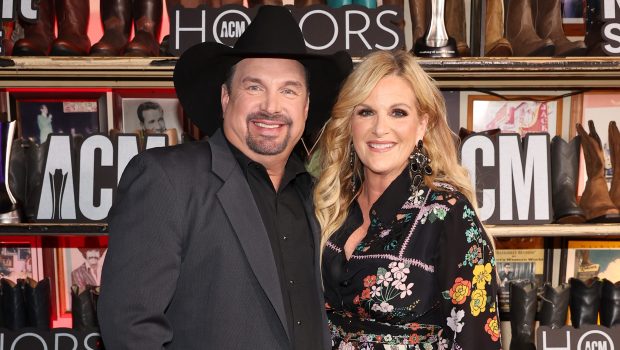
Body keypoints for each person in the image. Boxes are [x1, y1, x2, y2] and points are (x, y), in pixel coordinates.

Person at [97, 6, 352, 349]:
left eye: (289, 91)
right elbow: (130, 327)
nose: (271, 106)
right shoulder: (167, 179)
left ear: (306, 107)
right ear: (226, 96)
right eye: (254, 87)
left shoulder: (317, 194)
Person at [313, 50, 501, 349]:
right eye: (366, 111)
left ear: (422, 125)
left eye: (397, 112)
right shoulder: (331, 206)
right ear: (350, 122)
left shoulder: (447, 214)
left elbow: (477, 340)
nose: (379, 128)